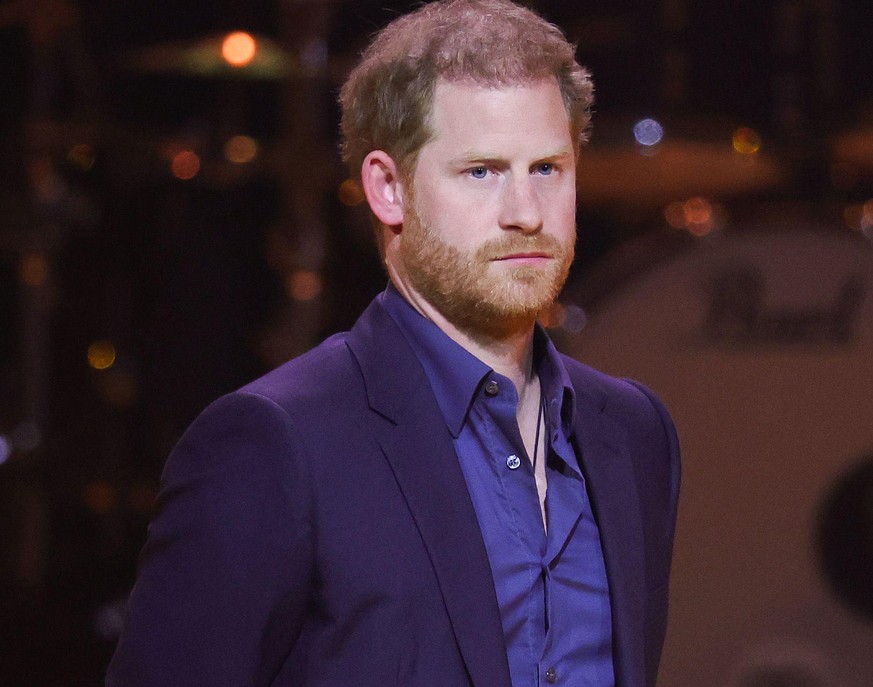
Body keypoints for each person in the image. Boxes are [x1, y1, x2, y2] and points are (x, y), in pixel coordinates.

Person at [106, 1, 680, 686]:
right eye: (481, 171)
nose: (525, 212)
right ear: (387, 188)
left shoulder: (634, 432)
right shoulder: (274, 443)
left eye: (547, 169)